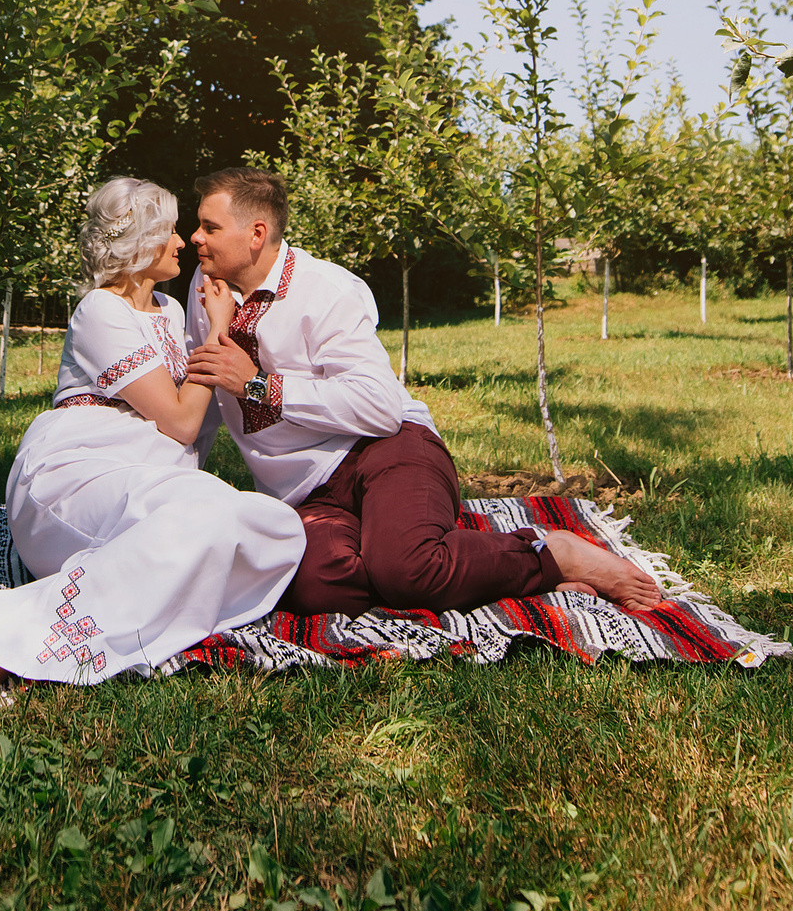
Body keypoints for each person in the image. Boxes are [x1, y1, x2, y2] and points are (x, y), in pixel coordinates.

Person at [180, 167, 666, 617]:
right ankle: (475, 566)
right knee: (316, 588)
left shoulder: (326, 290)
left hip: (387, 451)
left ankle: (551, 554)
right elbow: (200, 402)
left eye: (210, 226)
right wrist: (177, 492)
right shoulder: (206, 291)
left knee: (407, 571)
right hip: (308, 491)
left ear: (257, 233)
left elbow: (380, 408)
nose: (195, 238)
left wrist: (259, 385)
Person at [0, 177, 305, 704]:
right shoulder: (100, 311)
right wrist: (220, 330)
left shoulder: (173, 315)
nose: (183, 243)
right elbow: (180, 421)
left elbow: (191, 424)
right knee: (209, 519)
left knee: (274, 530)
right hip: (81, 475)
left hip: (158, 483)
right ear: (139, 244)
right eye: (170, 231)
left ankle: (102, 607)